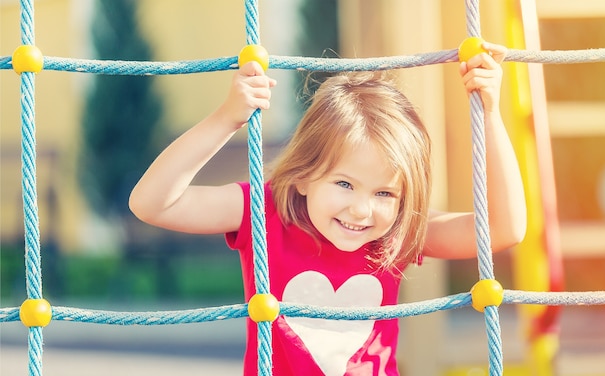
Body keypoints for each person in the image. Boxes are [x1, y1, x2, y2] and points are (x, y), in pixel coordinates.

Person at [129, 42, 526, 376]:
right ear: (304, 175)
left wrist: (489, 115)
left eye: (385, 193)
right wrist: (226, 118)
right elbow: (152, 204)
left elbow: (504, 229)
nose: (361, 210)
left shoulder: (394, 232)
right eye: (344, 184)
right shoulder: (267, 212)